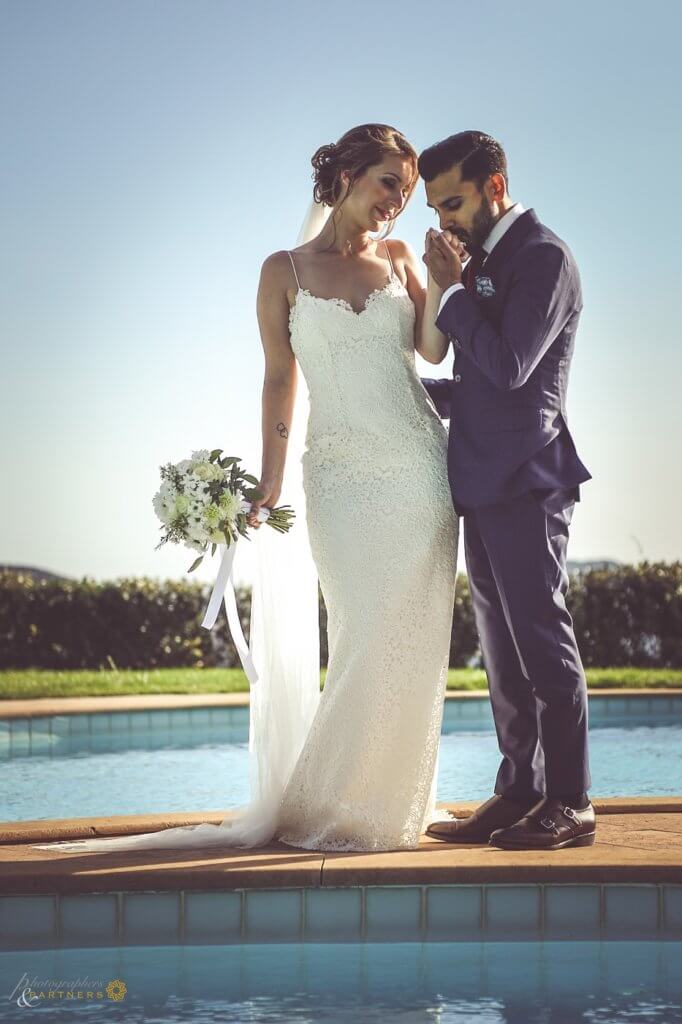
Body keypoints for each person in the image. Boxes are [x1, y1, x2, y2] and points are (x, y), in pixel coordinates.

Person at [33, 124, 459, 856]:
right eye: (390, 181)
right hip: (340, 478)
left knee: (413, 641)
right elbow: (276, 379)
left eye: (408, 189)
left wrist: (442, 283)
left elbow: (429, 349)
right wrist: (269, 480)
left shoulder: (398, 258)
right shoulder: (283, 271)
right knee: (361, 633)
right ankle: (334, 801)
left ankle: (391, 805)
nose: (398, 201)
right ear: (350, 173)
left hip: (420, 470)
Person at [420, 130, 595, 851]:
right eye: (435, 208)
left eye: (453, 202)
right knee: (501, 649)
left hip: (528, 478)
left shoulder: (544, 257)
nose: (444, 220)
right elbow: (476, 382)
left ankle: (571, 803)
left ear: (496, 185)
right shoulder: (484, 260)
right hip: (479, 483)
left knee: (542, 643)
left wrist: (455, 292)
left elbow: (514, 365)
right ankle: (518, 789)